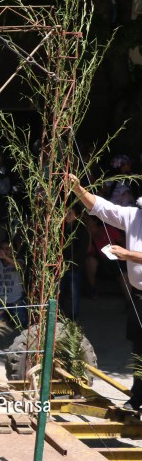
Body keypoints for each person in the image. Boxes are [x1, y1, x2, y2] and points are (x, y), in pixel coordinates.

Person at [68, 173, 142, 410]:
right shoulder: (134, 215)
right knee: (139, 346)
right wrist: (78, 189)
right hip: (139, 294)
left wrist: (128, 254)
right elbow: (103, 209)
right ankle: (139, 396)